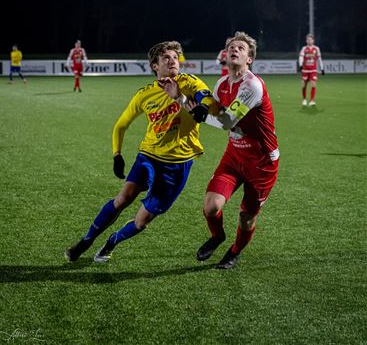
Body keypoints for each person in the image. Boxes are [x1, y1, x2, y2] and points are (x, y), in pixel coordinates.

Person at [65, 40, 217, 264]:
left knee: (142, 221)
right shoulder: (144, 95)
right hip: (149, 156)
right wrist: (117, 154)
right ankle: (86, 241)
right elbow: (120, 125)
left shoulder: (189, 82)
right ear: (155, 66)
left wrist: (203, 105)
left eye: (175, 57)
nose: (173, 60)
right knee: (123, 198)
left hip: (178, 163)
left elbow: (208, 100)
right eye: (166, 57)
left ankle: (112, 241)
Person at [177, 31, 279, 269]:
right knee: (210, 208)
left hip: (262, 163)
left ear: (249, 59)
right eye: (231, 46)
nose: (234, 49)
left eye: (241, 48)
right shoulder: (221, 84)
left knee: (246, 217)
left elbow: (226, 122)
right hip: (234, 155)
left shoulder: (252, 85)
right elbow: (212, 112)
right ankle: (217, 237)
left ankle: (234, 251)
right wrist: (184, 100)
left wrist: (195, 111)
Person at [298, 33, 324, 106]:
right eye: (308, 40)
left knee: (313, 85)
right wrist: (300, 65)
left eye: (311, 40)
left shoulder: (316, 48)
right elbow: (301, 57)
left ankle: (312, 100)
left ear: (313, 41)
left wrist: (322, 68)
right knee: (304, 86)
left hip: (313, 70)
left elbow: (319, 59)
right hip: (305, 70)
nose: (309, 41)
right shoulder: (304, 48)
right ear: (306, 41)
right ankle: (304, 100)